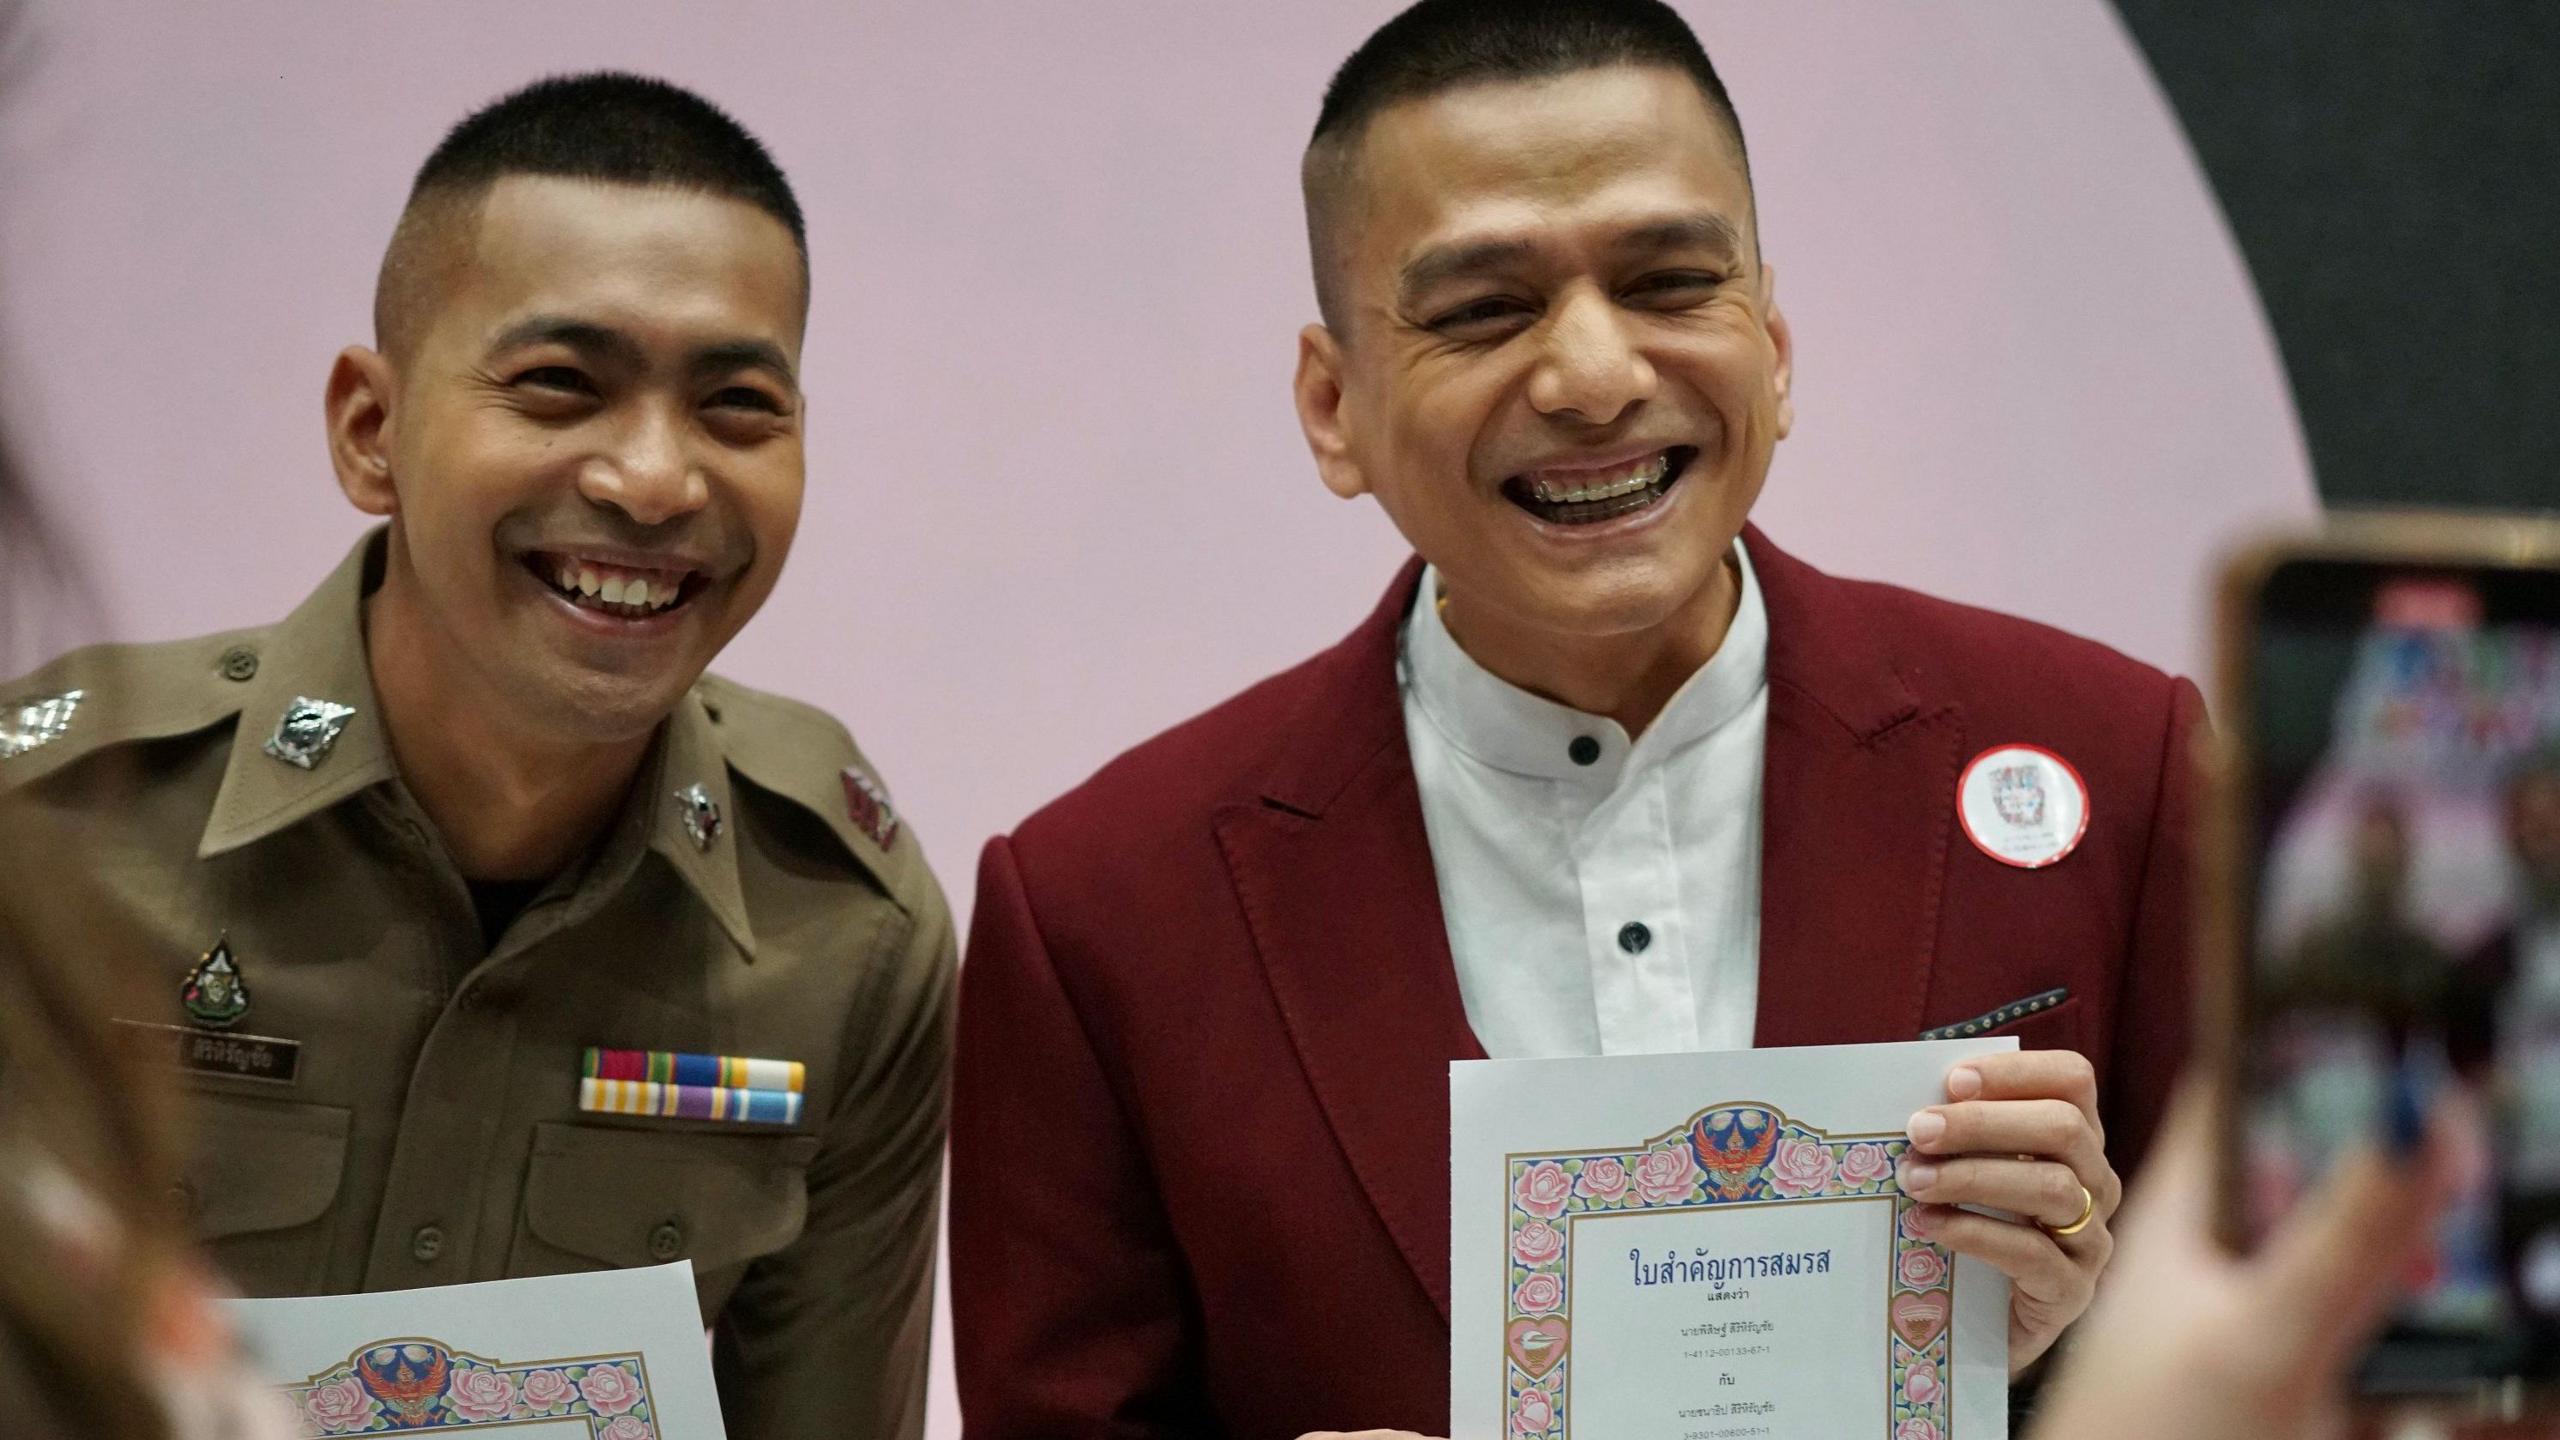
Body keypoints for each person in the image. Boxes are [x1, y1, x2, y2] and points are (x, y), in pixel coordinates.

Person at [948, 2, 2202, 1435]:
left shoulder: (2119, 761)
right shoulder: (1100, 909)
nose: (1597, 376)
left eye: (1671, 281)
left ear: (1776, 346)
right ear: (1331, 404)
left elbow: (2306, 1366)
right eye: (1484, 309)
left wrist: (2075, 1346)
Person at [0, 73, 952, 1439]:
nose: (653, 479)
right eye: (562, 385)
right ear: (370, 430)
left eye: (737, 406)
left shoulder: (843, 937)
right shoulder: (54, 830)